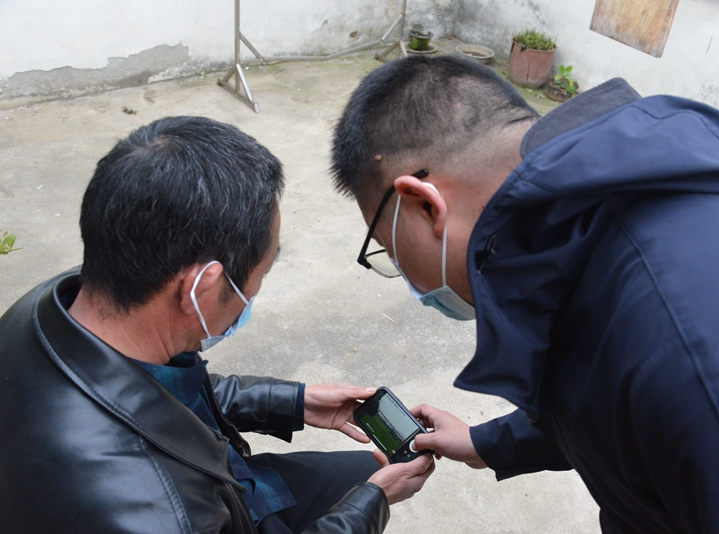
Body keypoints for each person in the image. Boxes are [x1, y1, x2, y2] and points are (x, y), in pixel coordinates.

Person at [330, 55, 719, 533]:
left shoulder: (691, 356)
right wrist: (486, 443)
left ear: (427, 205)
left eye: (389, 249)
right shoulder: (578, 236)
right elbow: (602, 399)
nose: (404, 275)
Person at [0, 116, 434, 534]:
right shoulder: (165, 514)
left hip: (228, 482)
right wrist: (370, 505)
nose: (255, 291)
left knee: (365, 471)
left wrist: (295, 402)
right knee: (371, 485)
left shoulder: (59, 304)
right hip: (213, 502)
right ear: (201, 290)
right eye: (262, 273)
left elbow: (166, 397)